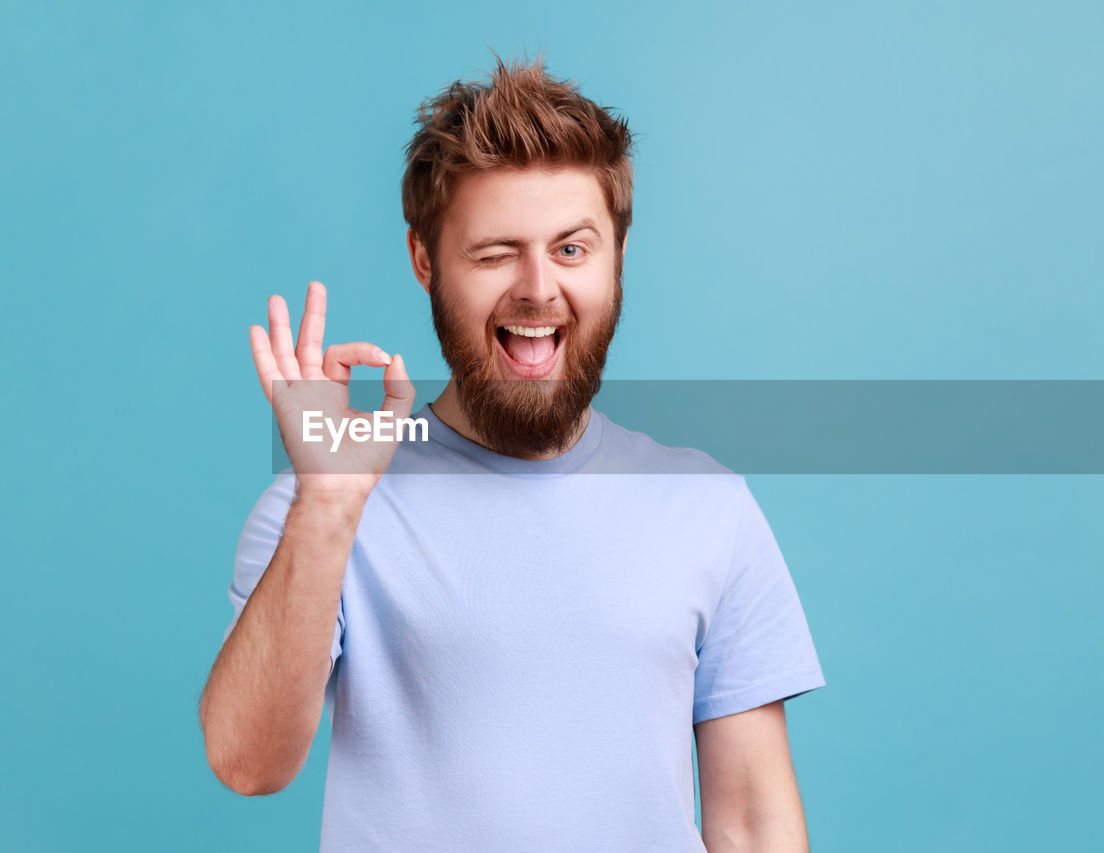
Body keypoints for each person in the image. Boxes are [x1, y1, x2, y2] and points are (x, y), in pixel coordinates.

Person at [199, 53, 826, 852]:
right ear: (425, 261)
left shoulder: (707, 503)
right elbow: (247, 762)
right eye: (496, 252)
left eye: (572, 249)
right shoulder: (324, 500)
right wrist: (326, 505)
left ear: (618, 255)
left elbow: (751, 824)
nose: (536, 288)